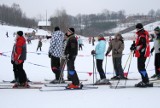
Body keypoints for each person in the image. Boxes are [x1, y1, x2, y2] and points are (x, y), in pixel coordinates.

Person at [130, 23, 152, 87]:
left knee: (141, 68)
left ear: (139, 28)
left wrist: (135, 48)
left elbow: (143, 45)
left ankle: (145, 81)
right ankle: (145, 80)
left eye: (137, 28)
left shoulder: (142, 34)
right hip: (141, 53)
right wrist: (133, 45)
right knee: (141, 68)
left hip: (142, 53)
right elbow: (139, 43)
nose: (136, 29)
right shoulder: (140, 34)